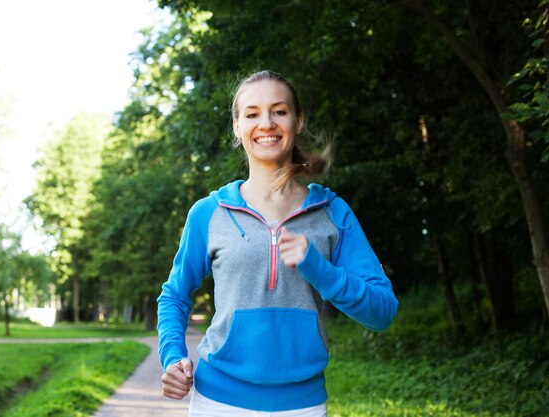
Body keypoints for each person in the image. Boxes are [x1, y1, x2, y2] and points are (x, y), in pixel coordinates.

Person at [157, 70, 399, 416]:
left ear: (298, 121)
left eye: (279, 111)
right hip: (218, 402)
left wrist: (319, 269)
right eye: (252, 114)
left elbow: (382, 312)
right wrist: (173, 357)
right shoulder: (209, 213)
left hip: (302, 406)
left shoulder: (332, 212)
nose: (266, 123)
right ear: (237, 127)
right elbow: (175, 295)